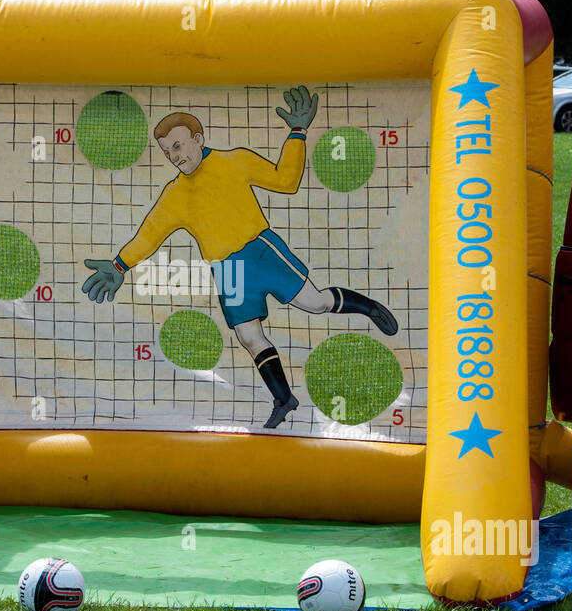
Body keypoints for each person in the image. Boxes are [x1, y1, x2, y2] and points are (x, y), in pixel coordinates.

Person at [80, 86, 399, 429]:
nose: (173, 156)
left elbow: (286, 180)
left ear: (197, 139)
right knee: (249, 338)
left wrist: (297, 133)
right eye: (166, 152)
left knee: (316, 303)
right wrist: (119, 265)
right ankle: (283, 398)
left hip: (260, 251)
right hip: (226, 271)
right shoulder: (173, 195)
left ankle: (369, 308)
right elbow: (149, 235)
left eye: (177, 146)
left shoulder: (234, 160)